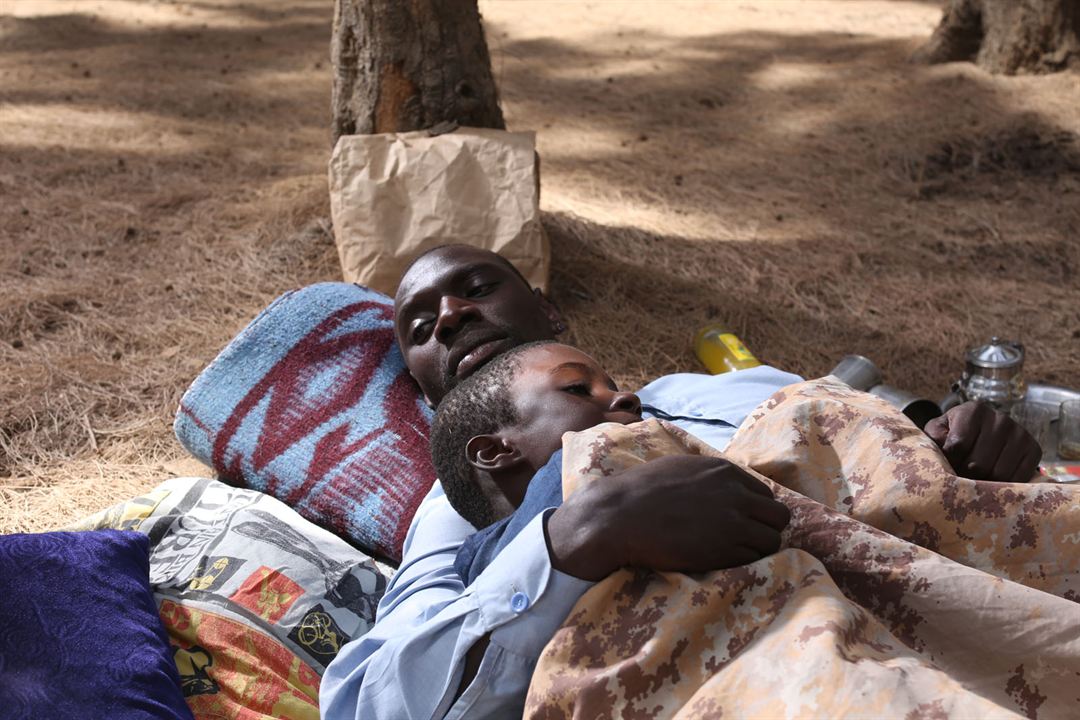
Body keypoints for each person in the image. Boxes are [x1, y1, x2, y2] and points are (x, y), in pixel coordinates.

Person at [320, 244, 1042, 720]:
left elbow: (855, 432)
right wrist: (574, 537)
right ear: (426, 388)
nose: (449, 316)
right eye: (420, 326)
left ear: (546, 310)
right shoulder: (460, 510)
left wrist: (948, 438)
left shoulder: (716, 392)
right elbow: (366, 702)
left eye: (476, 288)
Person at [428, 339, 790, 587]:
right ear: (496, 452)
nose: (628, 397)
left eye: (612, 385)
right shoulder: (494, 567)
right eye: (577, 389)